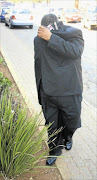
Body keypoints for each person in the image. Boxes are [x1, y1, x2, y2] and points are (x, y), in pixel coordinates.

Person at [34, 14, 84, 166]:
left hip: (70, 89)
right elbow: (38, 63)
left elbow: (76, 52)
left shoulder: (74, 34)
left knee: (72, 123)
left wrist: (51, 38)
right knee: (52, 125)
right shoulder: (37, 39)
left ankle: (68, 136)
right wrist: (40, 88)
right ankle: (54, 151)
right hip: (49, 91)